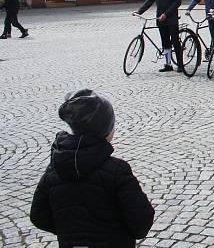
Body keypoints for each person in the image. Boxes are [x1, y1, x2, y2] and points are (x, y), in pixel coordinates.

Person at [30, 89, 154, 247]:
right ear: (107, 131)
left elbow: (38, 216)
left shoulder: (54, 170)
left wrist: (70, 232)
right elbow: (141, 221)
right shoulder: (117, 170)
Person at [136, 0, 184, 73]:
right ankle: (168, 64)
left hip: (171, 19)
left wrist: (166, 14)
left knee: (175, 42)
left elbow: (177, 2)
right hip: (160, 19)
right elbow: (150, 0)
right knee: (165, 42)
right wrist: (140, 11)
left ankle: (180, 65)